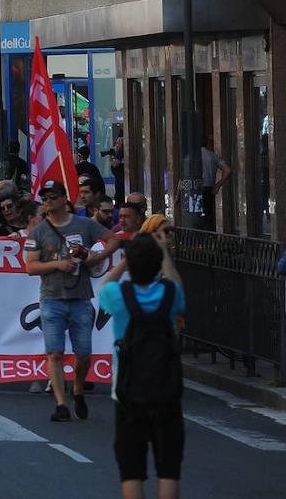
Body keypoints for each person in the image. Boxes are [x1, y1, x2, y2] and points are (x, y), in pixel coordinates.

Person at [23, 179, 120, 423]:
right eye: (45, 198)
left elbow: (114, 239)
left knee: (84, 353)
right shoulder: (39, 231)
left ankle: (77, 389)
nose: (48, 201)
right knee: (54, 353)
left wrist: (95, 257)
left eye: (53, 197)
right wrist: (56, 264)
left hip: (80, 298)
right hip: (52, 299)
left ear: (64, 199)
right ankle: (60, 404)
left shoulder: (84, 224)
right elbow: (30, 267)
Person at [99, 229, 186, 499]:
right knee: (169, 469)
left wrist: (125, 260)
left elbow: (103, 286)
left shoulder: (119, 296)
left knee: (131, 469)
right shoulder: (170, 295)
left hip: (127, 390)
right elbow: (178, 287)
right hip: (166, 389)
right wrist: (164, 255)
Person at [199, 136, 231, 232]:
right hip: (209, 188)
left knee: (197, 217)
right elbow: (228, 170)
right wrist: (218, 185)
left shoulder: (193, 156)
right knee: (209, 215)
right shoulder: (212, 156)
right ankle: (210, 237)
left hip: (196, 189)